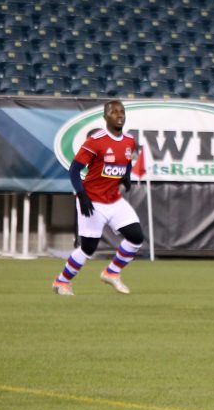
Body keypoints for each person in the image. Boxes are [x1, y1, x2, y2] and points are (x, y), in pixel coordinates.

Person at [51, 100, 145, 296]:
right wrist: (81, 195)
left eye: (122, 111)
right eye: (114, 112)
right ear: (105, 117)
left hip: (114, 199)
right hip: (92, 200)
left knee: (136, 237)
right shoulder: (96, 140)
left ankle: (112, 272)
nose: (119, 115)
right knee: (88, 248)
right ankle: (62, 282)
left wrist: (126, 176)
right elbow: (74, 170)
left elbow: (126, 161)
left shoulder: (129, 141)